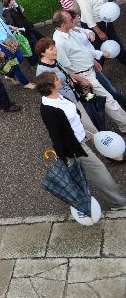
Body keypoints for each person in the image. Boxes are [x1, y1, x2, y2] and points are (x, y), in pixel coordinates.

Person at [36, 72, 126, 210]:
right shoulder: (48, 109)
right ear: (50, 86)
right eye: (56, 79)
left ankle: (116, 201)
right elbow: (56, 135)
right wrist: (63, 156)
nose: (59, 80)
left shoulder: (59, 96)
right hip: (75, 146)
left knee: (94, 171)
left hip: (81, 136)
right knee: (99, 170)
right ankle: (117, 203)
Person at [52, 10, 126, 134]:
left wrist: (93, 60)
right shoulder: (59, 43)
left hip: (90, 69)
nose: (74, 21)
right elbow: (64, 67)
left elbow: (82, 48)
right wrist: (81, 80)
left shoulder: (69, 31)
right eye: (71, 20)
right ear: (63, 25)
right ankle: (124, 125)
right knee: (108, 100)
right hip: (84, 76)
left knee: (105, 97)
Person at [35, 37, 99, 135]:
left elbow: (64, 71)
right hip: (69, 102)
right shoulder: (43, 71)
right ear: (42, 53)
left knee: (88, 121)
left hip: (75, 95)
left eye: (54, 47)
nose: (55, 50)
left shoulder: (53, 60)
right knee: (88, 127)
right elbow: (48, 93)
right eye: (51, 49)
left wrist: (78, 79)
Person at [69, 0, 126, 67]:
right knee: (109, 47)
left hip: (103, 19)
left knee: (100, 50)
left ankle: (98, 71)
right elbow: (88, 17)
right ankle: (97, 73)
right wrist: (99, 32)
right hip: (97, 25)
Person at [0, 0, 35, 89]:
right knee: (15, 65)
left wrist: (10, 27)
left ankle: (9, 74)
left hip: (10, 40)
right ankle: (26, 83)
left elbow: (2, 25)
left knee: (20, 57)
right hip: (3, 45)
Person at [0, 0, 42, 67]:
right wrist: (19, 28)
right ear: (9, 2)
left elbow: (21, 16)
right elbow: (11, 24)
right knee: (29, 45)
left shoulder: (11, 9)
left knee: (33, 42)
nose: (13, 0)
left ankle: (36, 58)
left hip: (26, 28)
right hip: (23, 32)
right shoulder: (8, 13)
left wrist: (17, 7)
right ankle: (33, 62)